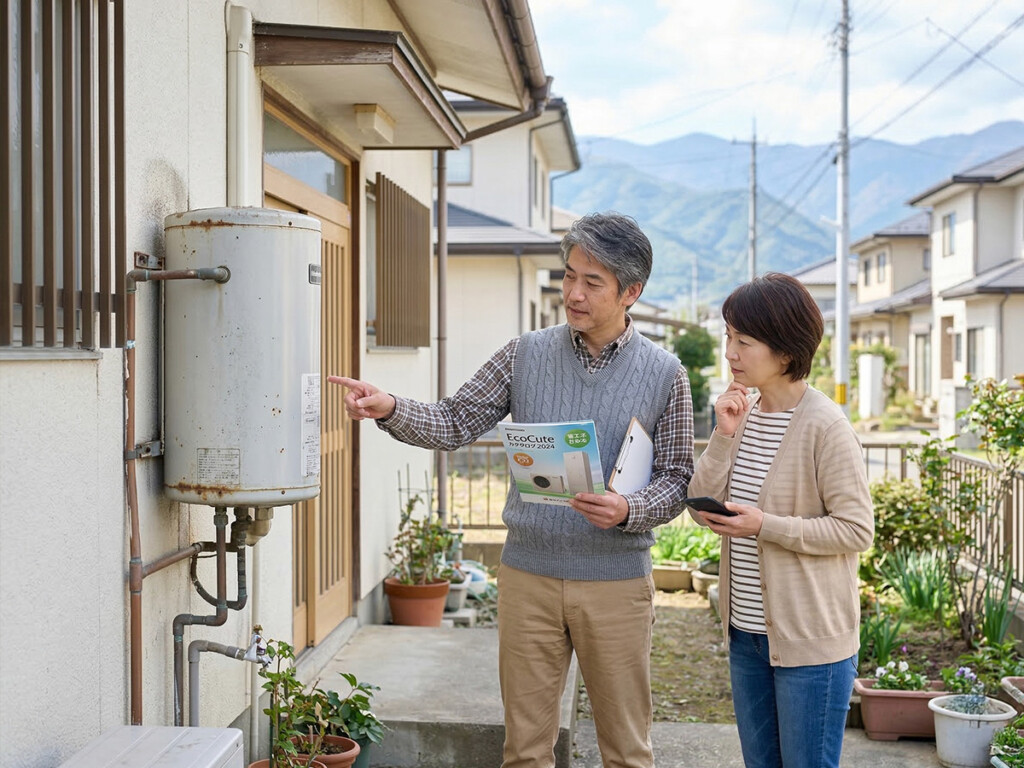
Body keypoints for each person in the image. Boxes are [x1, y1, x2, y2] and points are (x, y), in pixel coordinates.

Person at [329, 212, 694, 768]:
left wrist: (628, 508)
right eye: (569, 275)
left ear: (632, 292)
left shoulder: (666, 372)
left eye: (591, 283)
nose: (572, 293)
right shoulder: (524, 353)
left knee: (627, 750)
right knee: (524, 750)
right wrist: (391, 407)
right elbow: (454, 420)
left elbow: (675, 479)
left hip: (617, 583)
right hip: (528, 576)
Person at [687, 272, 873, 768]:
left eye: (744, 341)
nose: (730, 352)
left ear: (787, 352)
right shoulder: (740, 413)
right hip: (746, 635)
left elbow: (857, 529)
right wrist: (723, 435)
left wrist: (766, 525)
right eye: (728, 336)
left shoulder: (825, 426)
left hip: (811, 645)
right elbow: (701, 502)